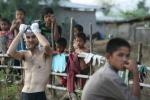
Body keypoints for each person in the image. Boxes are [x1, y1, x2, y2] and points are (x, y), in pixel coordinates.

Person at [7, 23, 51, 100]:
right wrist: (20, 32)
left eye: (33, 37)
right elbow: (9, 52)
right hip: (25, 94)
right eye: (28, 37)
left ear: (38, 38)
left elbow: (46, 45)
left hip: (39, 94)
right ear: (24, 39)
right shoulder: (24, 54)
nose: (30, 40)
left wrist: (36, 31)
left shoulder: (45, 54)